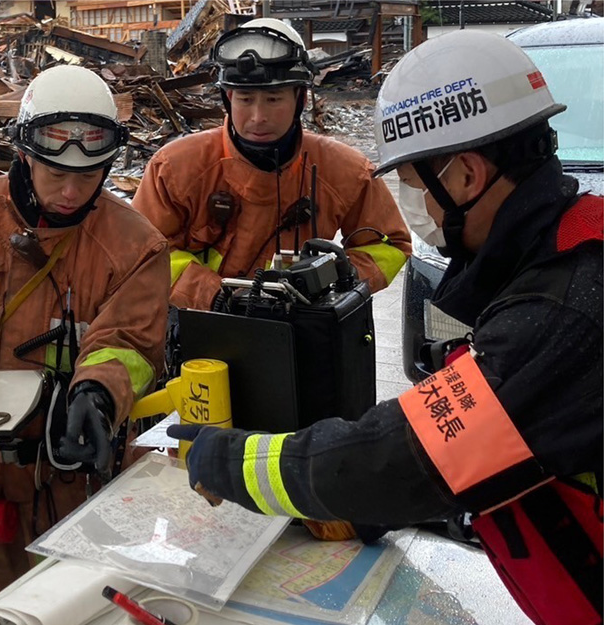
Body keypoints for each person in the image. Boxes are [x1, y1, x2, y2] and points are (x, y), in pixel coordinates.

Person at [169, 30, 602, 625]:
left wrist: (230, 461)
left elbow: (408, 457)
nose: (418, 207)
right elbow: (503, 457)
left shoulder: (560, 310)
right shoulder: (570, 255)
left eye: (421, 187)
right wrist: (417, 503)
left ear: (468, 175)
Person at [0, 65, 169, 618]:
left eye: (88, 177)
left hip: (81, 489)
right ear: (24, 153)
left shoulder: (137, 245)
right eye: (54, 171)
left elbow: (129, 341)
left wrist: (98, 394)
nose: (70, 191)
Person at [133, 18, 411, 311]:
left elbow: (391, 245)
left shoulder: (343, 170)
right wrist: (215, 295)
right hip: (199, 327)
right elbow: (143, 253)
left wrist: (337, 276)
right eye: (245, 98)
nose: (257, 116)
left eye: (273, 98)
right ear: (228, 98)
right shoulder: (176, 167)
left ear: (300, 99)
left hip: (303, 328)